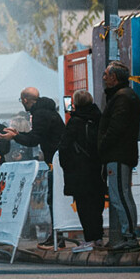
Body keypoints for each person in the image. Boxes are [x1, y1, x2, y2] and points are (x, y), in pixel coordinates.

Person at [2, 87, 65, 249]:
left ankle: (57, 237)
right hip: (59, 160)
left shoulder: (39, 114)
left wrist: (15, 136)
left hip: (57, 162)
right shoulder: (48, 110)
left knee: (53, 199)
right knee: (54, 198)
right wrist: (17, 134)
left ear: (24, 100)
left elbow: (33, 140)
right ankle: (57, 236)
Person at [97, 60, 140, 253]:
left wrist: (103, 144)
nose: (104, 77)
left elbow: (116, 127)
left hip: (118, 154)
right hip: (119, 153)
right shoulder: (123, 96)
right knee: (121, 195)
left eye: (107, 74)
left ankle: (130, 236)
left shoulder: (122, 98)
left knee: (120, 196)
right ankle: (128, 235)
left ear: (114, 78)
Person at [58, 90, 105, 252]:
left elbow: (64, 147)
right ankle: (98, 237)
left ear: (76, 103)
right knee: (97, 204)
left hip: (79, 171)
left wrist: (68, 166)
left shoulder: (75, 121)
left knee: (84, 206)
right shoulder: (99, 118)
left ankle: (90, 238)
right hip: (97, 168)